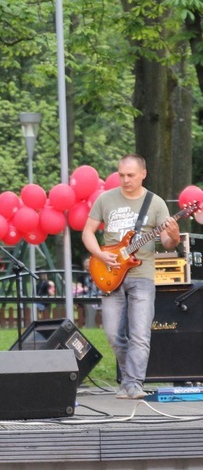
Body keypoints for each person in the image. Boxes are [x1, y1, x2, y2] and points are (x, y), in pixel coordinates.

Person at [82, 153, 179, 399]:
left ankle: (133, 384)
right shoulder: (105, 199)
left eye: (131, 176)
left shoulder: (155, 203)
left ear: (143, 174)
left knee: (140, 333)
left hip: (142, 274)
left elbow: (168, 243)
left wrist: (175, 234)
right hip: (110, 272)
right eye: (122, 175)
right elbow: (88, 233)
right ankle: (128, 380)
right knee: (114, 334)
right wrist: (100, 255)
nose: (125, 180)